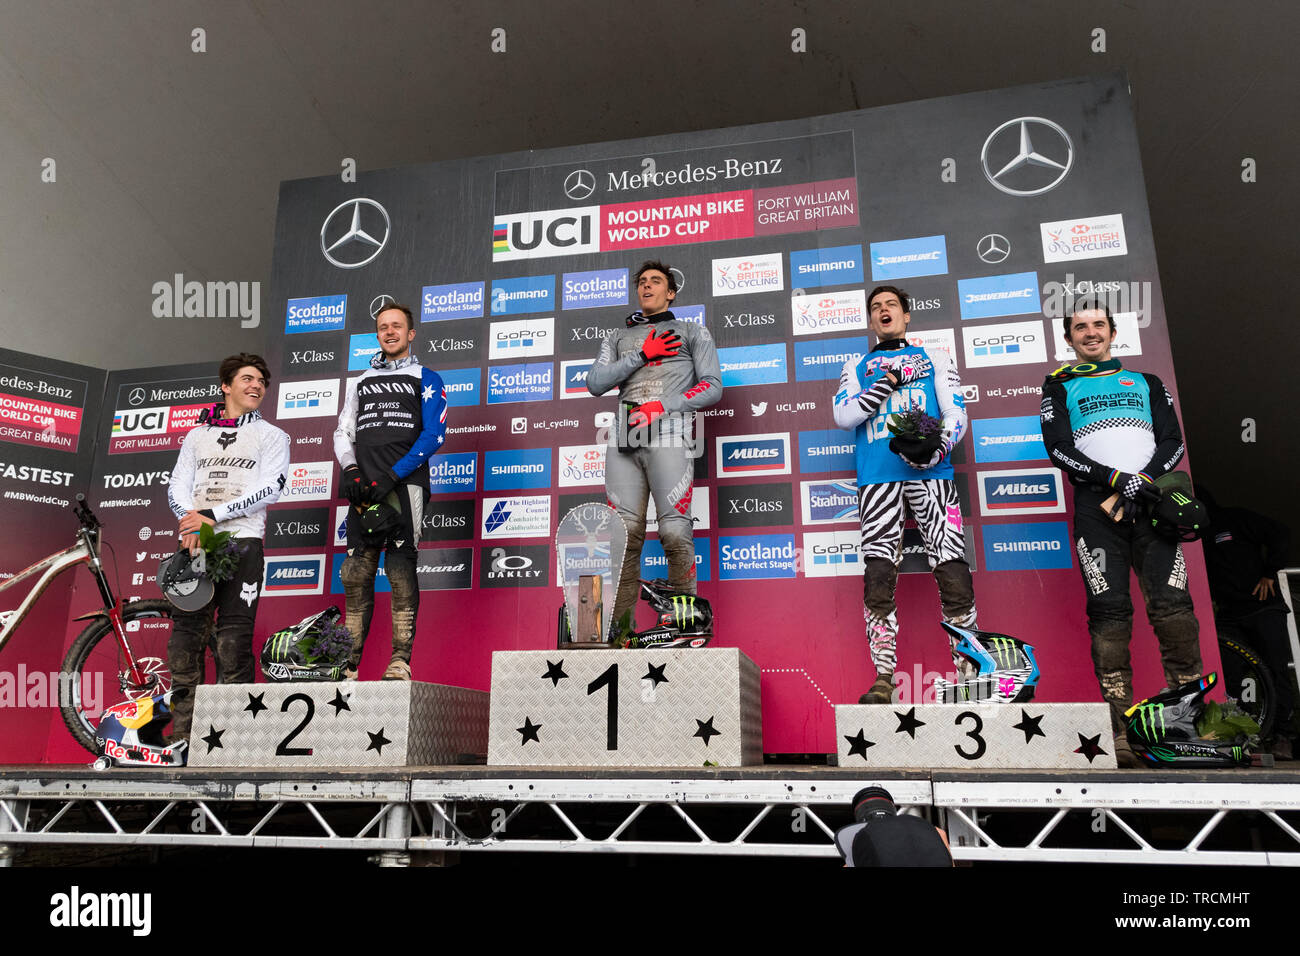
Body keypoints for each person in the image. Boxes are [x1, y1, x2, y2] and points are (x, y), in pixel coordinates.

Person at [1039, 297, 1201, 765]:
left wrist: (1140, 483)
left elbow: (1173, 442)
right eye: (1080, 327)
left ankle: (1186, 724)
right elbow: (1059, 449)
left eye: (1099, 325)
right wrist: (1115, 480)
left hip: (1154, 507)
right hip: (1097, 510)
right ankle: (1121, 733)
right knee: (1109, 616)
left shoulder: (1147, 382)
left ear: (1113, 333)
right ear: (1068, 339)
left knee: (1174, 612)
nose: (1090, 332)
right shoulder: (1057, 387)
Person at [832, 285, 975, 704]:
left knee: (953, 572)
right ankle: (882, 677)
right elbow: (844, 416)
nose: (883, 311)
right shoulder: (856, 365)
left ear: (906, 315)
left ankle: (968, 674)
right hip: (877, 479)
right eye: (875, 308)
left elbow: (956, 413)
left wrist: (939, 447)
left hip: (935, 475)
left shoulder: (935, 358)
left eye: (890, 305)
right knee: (878, 576)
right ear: (871, 320)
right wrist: (888, 382)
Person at [587, 260, 722, 639]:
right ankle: (620, 632)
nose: (647, 287)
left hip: (670, 436)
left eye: (655, 282)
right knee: (624, 534)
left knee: (675, 533)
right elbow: (595, 383)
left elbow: (713, 386)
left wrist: (661, 406)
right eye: (641, 282)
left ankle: (685, 626)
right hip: (624, 440)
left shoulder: (692, 331)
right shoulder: (618, 337)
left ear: (671, 291)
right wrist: (642, 355)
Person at [166, 353, 290, 742]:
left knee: (233, 641)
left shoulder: (273, 435)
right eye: (248, 379)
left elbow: (271, 487)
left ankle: (231, 741)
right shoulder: (196, 434)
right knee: (185, 638)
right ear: (226, 385)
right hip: (196, 542)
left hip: (243, 541)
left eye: (262, 382)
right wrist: (191, 521)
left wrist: (211, 516)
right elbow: (177, 485)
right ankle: (183, 737)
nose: (256, 386)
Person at [333, 301, 447, 680]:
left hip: (405, 486)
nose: (390, 332)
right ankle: (347, 665)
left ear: (411, 334)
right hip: (363, 490)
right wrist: (350, 469)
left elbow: (434, 435)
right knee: (356, 575)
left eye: (397, 326)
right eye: (383, 327)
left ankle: (399, 661)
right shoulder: (362, 380)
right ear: (378, 334)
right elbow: (343, 432)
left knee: (400, 571)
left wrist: (391, 475)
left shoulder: (426, 377)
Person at [1198, 485, 1296, 756]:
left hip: (1263, 608)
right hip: (1229, 615)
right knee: (1228, 677)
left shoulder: (1234, 518)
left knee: (1276, 670)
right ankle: (1240, 734)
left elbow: (1280, 533)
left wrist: (1269, 572)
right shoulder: (1193, 535)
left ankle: (1283, 736)